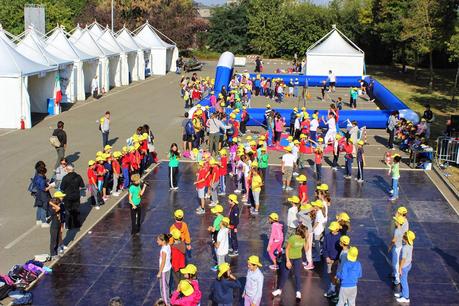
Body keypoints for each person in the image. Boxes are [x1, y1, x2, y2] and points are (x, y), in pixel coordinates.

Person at [272, 225, 308, 301]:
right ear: (302, 232)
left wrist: (307, 239)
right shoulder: (292, 238)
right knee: (285, 275)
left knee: (297, 275)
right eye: (306, 231)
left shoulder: (303, 238)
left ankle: (298, 291)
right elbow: (287, 250)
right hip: (290, 258)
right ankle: (279, 290)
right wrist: (288, 261)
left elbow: (306, 249)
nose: (307, 233)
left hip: (298, 258)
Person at [60, 164, 85, 229]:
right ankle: (76, 224)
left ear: (68, 170)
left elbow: (62, 188)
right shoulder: (78, 176)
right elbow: (82, 186)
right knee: (76, 210)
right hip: (76, 196)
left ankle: (68, 225)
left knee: (68, 210)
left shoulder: (65, 178)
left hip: (68, 196)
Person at [323, 221, 343, 298]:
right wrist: (327, 257)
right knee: (330, 275)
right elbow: (324, 248)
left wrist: (336, 260)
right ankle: (334, 289)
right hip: (329, 259)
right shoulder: (327, 236)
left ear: (337, 229)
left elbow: (341, 251)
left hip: (337, 260)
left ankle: (332, 290)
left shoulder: (340, 238)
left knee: (335, 276)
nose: (331, 230)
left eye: (333, 229)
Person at [395, 230, 415, 304]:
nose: (402, 236)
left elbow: (403, 259)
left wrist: (400, 268)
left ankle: (406, 297)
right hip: (409, 264)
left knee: (403, 281)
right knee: (403, 280)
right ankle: (403, 293)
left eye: (404, 236)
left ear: (406, 239)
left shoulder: (405, 247)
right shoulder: (411, 244)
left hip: (404, 266)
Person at [389, 214, 406, 287]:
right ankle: (395, 274)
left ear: (398, 223)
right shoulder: (403, 229)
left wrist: (390, 246)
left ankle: (397, 278)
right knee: (396, 261)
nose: (395, 222)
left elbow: (394, 240)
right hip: (401, 246)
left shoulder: (397, 230)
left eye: (396, 221)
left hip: (396, 247)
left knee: (395, 262)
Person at [48, 191, 65, 258]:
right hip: (54, 227)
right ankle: (53, 254)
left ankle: (56, 252)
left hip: (58, 225)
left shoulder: (58, 207)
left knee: (57, 240)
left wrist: (61, 226)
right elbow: (58, 208)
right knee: (53, 241)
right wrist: (51, 203)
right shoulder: (53, 209)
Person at [157, 233, 172, 305]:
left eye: (158, 240)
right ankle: (165, 298)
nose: (157, 241)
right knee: (166, 284)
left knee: (163, 287)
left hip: (164, 271)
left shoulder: (163, 250)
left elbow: (163, 262)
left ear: (163, 241)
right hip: (168, 268)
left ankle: (166, 302)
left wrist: (160, 272)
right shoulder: (168, 245)